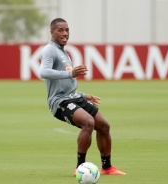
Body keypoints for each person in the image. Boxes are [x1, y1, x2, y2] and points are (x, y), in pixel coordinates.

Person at [39, 18, 126, 176]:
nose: (65, 33)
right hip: (60, 102)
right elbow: (43, 72)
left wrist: (83, 95)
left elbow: (66, 85)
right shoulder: (49, 50)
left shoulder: (63, 51)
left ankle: (107, 167)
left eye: (67, 30)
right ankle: (80, 168)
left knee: (104, 126)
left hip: (74, 98)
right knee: (88, 122)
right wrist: (70, 73)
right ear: (51, 32)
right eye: (60, 30)